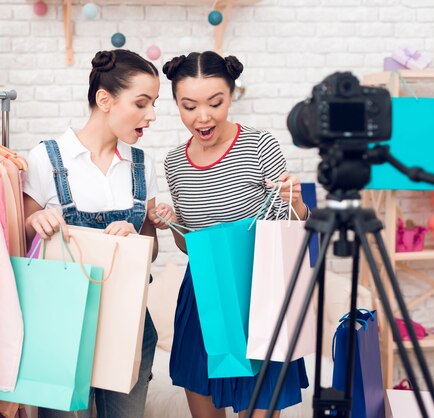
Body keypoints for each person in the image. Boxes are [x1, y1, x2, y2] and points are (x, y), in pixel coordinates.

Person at [149, 51, 310, 418]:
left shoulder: (258, 145)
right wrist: (172, 222)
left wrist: (296, 202)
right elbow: (190, 245)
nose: (202, 116)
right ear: (177, 104)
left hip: (259, 288)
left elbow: (290, 225)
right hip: (203, 288)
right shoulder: (175, 162)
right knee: (200, 392)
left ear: (231, 97)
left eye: (215, 103)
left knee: (259, 400)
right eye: (189, 106)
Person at [22, 49, 161, 418]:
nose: (152, 115)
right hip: (61, 325)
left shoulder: (141, 165)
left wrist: (138, 233)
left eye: (154, 104)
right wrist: (35, 224)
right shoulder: (45, 158)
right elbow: (22, 239)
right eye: (142, 103)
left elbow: (153, 252)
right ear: (105, 100)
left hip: (129, 322)